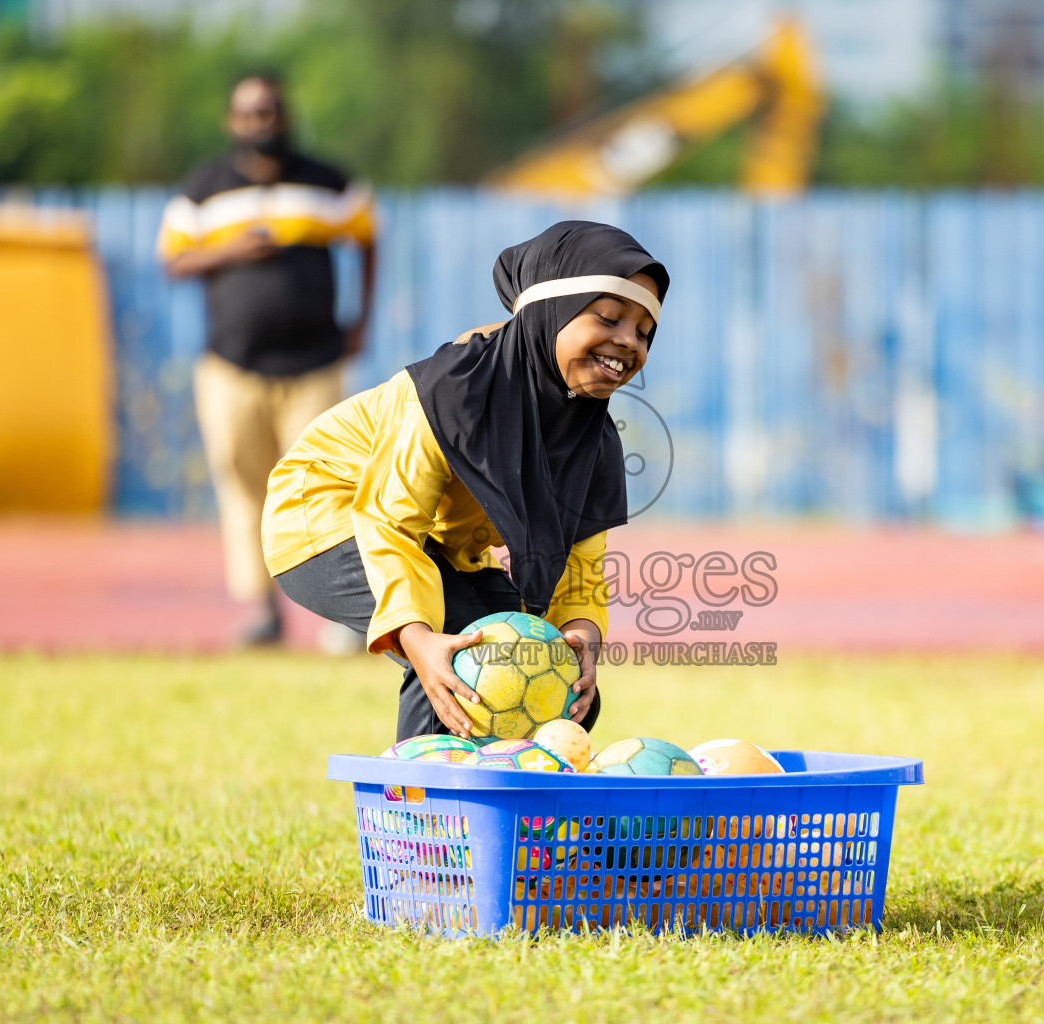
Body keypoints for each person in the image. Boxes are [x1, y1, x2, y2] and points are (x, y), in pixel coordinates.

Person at [260, 221, 667, 740]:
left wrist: (580, 634)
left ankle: (523, 811)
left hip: (430, 544)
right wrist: (417, 637)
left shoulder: (591, 437)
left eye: (644, 331)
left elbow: (581, 563)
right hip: (324, 513)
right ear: (550, 313)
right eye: (609, 317)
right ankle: (424, 807)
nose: (627, 341)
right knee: (464, 645)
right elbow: (388, 521)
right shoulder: (455, 392)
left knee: (561, 683)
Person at [157, 73, 376, 647]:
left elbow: (368, 237)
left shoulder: (328, 182)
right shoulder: (203, 188)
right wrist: (229, 250)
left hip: (315, 363)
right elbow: (172, 260)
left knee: (325, 486)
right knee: (242, 484)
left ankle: (343, 617)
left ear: (287, 116)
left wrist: (363, 319)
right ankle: (262, 612)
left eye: (270, 111)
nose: (261, 122)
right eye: (249, 113)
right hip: (231, 367)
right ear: (233, 122)